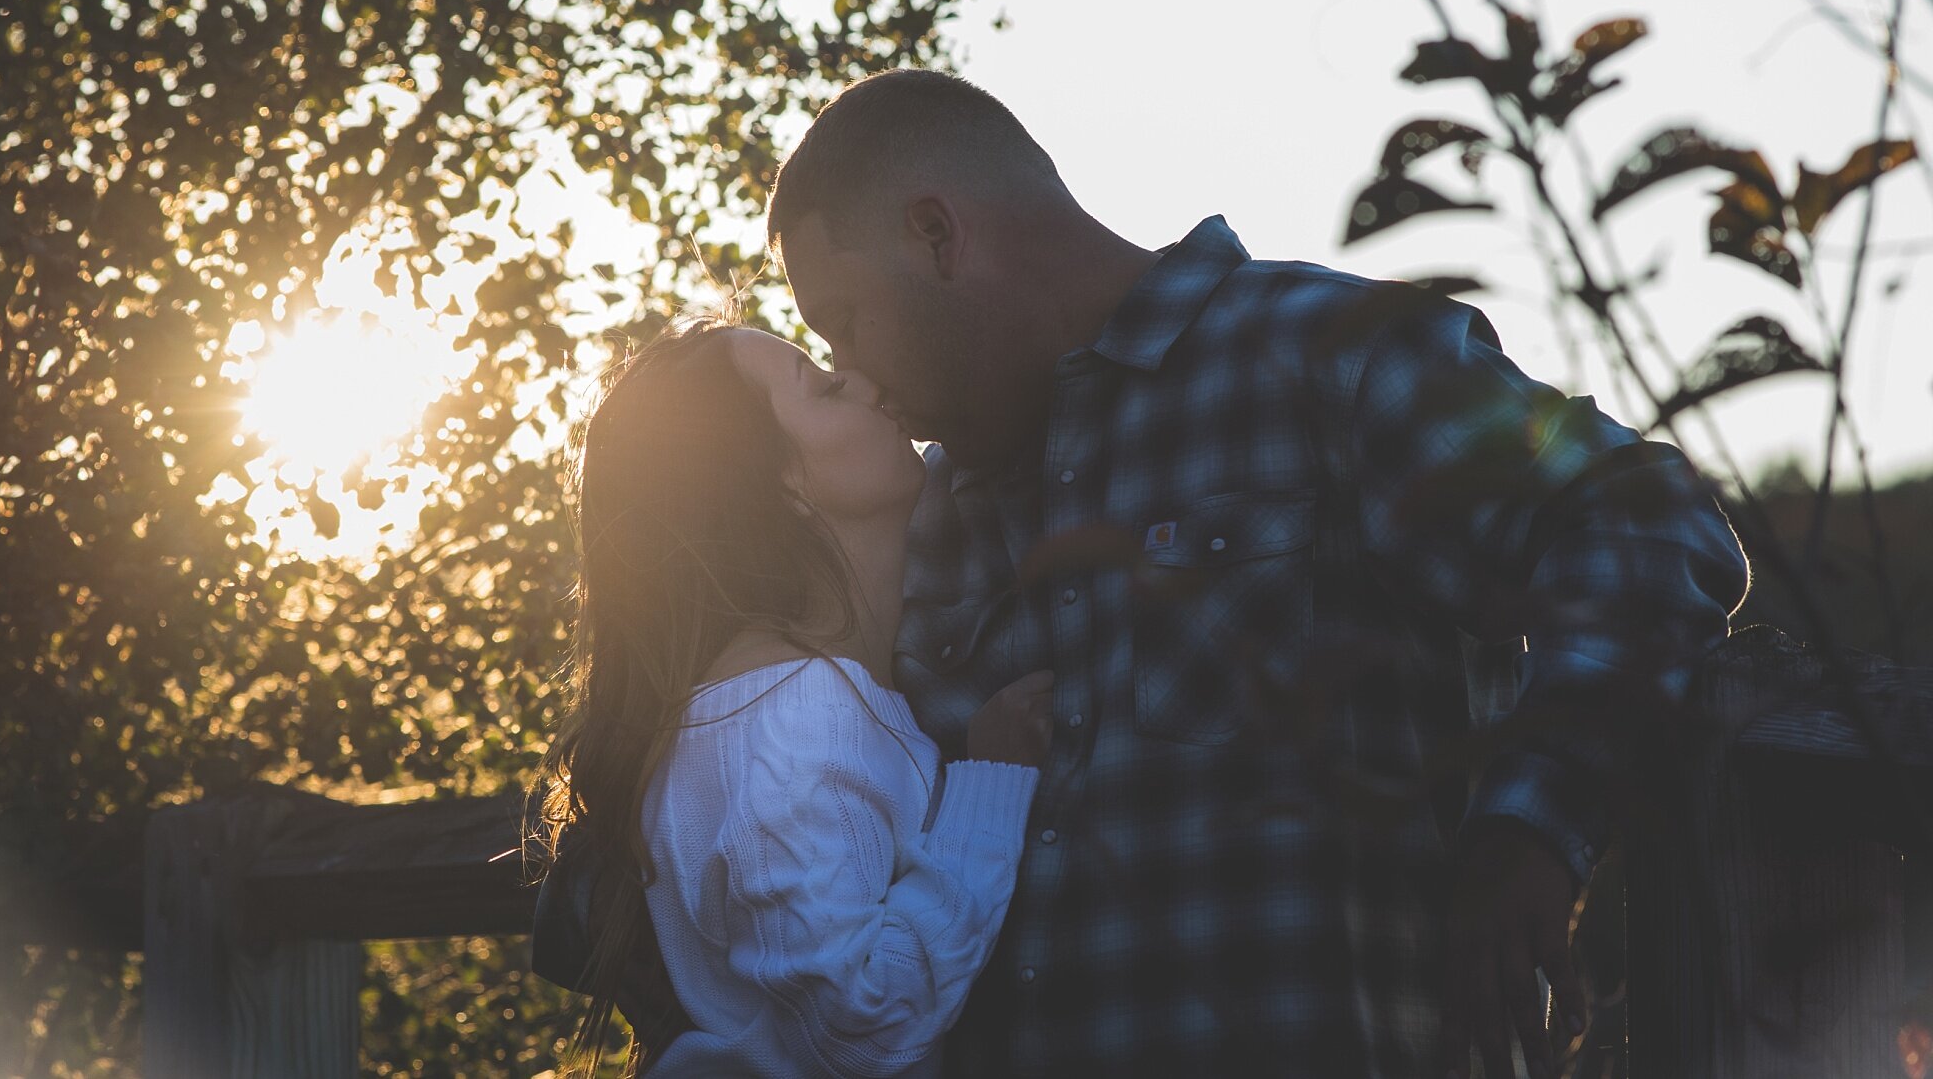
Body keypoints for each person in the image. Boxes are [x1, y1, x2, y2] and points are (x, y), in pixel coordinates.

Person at [757, 69, 1751, 1078]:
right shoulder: (924, 522)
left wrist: (1528, 836)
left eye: (845, 319)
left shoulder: (1323, 355)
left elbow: (1644, 524)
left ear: (936, 234)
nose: (860, 376)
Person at [528, 318, 1057, 1078]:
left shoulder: (784, 705)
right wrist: (991, 786)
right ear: (779, 488)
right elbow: (860, 1031)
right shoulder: (788, 719)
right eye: (826, 386)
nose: (869, 380)